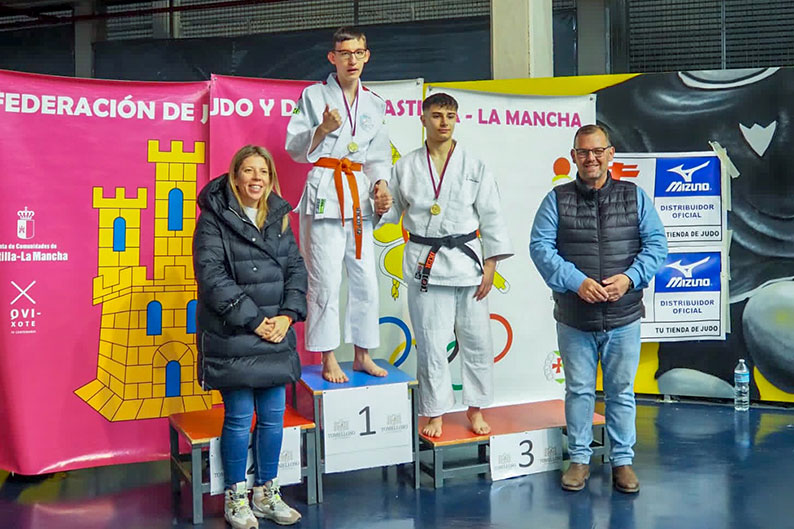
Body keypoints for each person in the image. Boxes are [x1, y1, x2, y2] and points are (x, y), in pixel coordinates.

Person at [529, 124, 668, 494]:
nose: (590, 158)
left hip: (623, 318)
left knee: (622, 392)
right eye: (583, 152)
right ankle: (579, 459)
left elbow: (657, 245)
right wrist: (576, 281)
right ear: (574, 157)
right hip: (575, 319)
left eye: (597, 151)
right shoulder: (555, 200)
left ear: (610, 154)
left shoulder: (634, 196)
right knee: (579, 391)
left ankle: (622, 462)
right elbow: (540, 248)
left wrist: (630, 278)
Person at [379, 93, 513, 437]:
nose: (444, 122)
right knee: (431, 342)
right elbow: (392, 213)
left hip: (467, 263)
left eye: (450, 116)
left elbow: (492, 216)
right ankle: (435, 411)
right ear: (422, 119)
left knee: (478, 340)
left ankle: (476, 408)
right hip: (426, 263)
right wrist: (380, 205)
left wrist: (491, 263)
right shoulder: (405, 165)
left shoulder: (473, 165)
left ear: (456, 120)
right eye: (436, 115)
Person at [193, 145, 306, 528]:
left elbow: (296, 269)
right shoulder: (212, 219)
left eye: (263, 172)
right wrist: (256, 321)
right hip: (234, 336)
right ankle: (236, 497)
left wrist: (288, 317)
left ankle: (267, 493)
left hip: (277, 334)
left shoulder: (280, 216)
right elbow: (212, 279)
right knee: (240, 418)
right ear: (234, 176)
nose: (257, 178)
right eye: (248, 171)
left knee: (274, 418)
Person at [285, 26, 393, 384]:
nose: (352, 59)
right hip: (325, 193)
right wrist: (321, 130)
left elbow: (378, 157)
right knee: (325, 279)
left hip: (358, 194)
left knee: (365, 279)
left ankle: (363, 354)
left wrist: (380, 186)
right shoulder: (314, 96)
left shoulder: (375, 103)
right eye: (344, 53)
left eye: (358, 52)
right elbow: (293, 148)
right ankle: (328, 356)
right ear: (332, 58)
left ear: (367, 56)